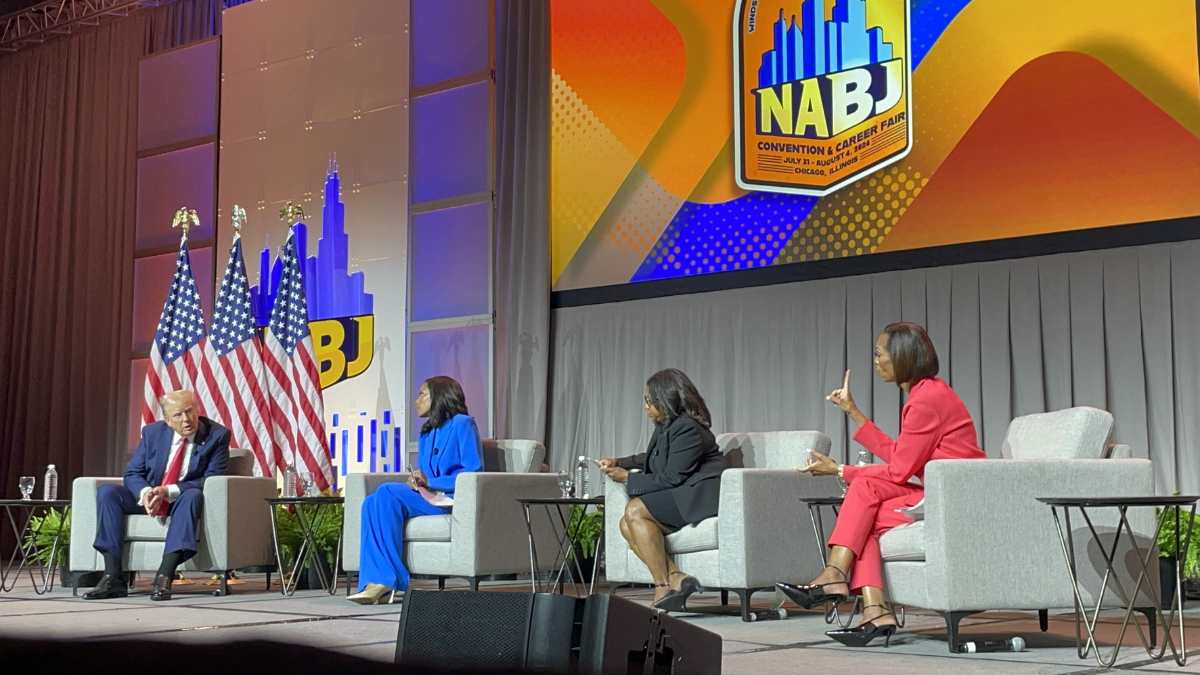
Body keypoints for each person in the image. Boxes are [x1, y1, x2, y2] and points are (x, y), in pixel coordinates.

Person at [778, 322, 985, 646]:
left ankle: (838, 576)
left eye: (879, 353)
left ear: (901, 356)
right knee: (866, 513)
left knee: (864, 493)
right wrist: (853, 412)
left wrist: (841, 471)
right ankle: (873, 609)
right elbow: (903, 458)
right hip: (939, 491)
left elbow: (899, 471)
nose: (875, 361)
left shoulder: (926, 400)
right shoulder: (927, 394)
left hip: (955, 497)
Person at [83, 390, 230, 601]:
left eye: (190, 411)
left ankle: (164, 576)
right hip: (151, 496)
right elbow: (133, 473)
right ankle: (113, 577)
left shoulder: (217, 435)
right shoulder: (152, 433)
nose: (187, 419)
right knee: (108, 492)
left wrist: (167, 491)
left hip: (181, 499)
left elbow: (212, 479)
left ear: (197, 409)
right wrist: (146, 493)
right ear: (168, 420)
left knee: (193, 496)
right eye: (178, 415)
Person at [349, 376, 483, 604]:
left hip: (452, 500)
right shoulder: (426, 433)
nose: (416, 400)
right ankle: (376, 582)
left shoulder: (463, 424)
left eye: (422, 394)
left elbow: (474, 472)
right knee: (371, 502)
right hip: (428, 497)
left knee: (387, 491)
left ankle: (387, 581)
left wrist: (431, 481)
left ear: (439, 396)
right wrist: (417, 481)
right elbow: (426, 474)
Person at [599, 368, 725, 612]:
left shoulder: (688, 428)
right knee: (625, 524)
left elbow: (671, 477)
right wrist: (620, 462)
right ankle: (676, 577)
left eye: (649, 400)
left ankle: (662, 585)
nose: (645, 406)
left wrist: (627, 478)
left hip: (698, 495)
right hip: (681, 491)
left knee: (634, 510)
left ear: (665, 400)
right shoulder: (667, 425)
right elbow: (653, 457)